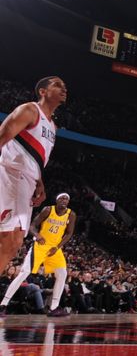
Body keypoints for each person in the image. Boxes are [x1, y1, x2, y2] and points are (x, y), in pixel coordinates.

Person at [0, 77, 66, 273]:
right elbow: (2, 135)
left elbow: (37, 158)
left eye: (64, 86)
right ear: (43, 92)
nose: (63, 87)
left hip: (27, 183)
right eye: (57, 84)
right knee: (11, 239)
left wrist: (40, 183)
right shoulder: (30, 110)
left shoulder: (53, 127)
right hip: (11, 175)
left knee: (12, 242)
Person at [0, 192, 75, 317]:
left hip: (54, 248)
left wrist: (57, 247)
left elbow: (69, 233)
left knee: (62, 274)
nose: (64, 200)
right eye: (62, 198)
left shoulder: (71, 214)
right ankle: (3, 304)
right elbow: (32, 226)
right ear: (56, 200)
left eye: (67, 199)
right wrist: (37, 236)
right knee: (24, 273)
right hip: (40, 246)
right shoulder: (48, 210)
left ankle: (54, 307)